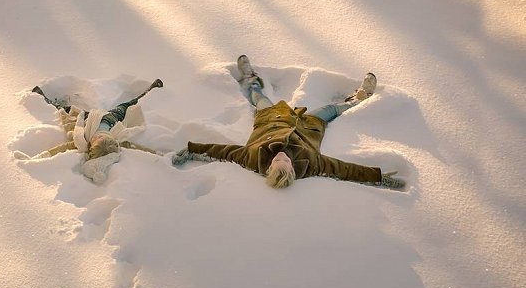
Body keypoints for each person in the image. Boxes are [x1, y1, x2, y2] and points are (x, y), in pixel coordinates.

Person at [172, 55, 405, 189]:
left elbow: (222, 152)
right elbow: (343, 170)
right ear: (293, 168)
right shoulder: (310, 164)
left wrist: (191, 150)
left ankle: (250, 79)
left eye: (276, 162)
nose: (280, 157)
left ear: (269, 168)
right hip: (307, 126)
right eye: (286, 162)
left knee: (259, 98)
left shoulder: (253, 159)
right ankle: (359, 98)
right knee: (332, 109)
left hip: (269, 121)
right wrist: (378, 177)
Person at [14, 79, 163, 183]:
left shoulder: (82, 141)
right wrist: (158, 155)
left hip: (88, 119)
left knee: (65, 110)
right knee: (127, 106)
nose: (97, 136)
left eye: (96, 139)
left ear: (90, 147)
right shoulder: (118, 142)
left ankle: (43, 98)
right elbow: (137, 148)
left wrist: (39, 157)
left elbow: (59, 149)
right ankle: (151, 90)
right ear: (114, 142)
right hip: (111, 118)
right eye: (101, 137)